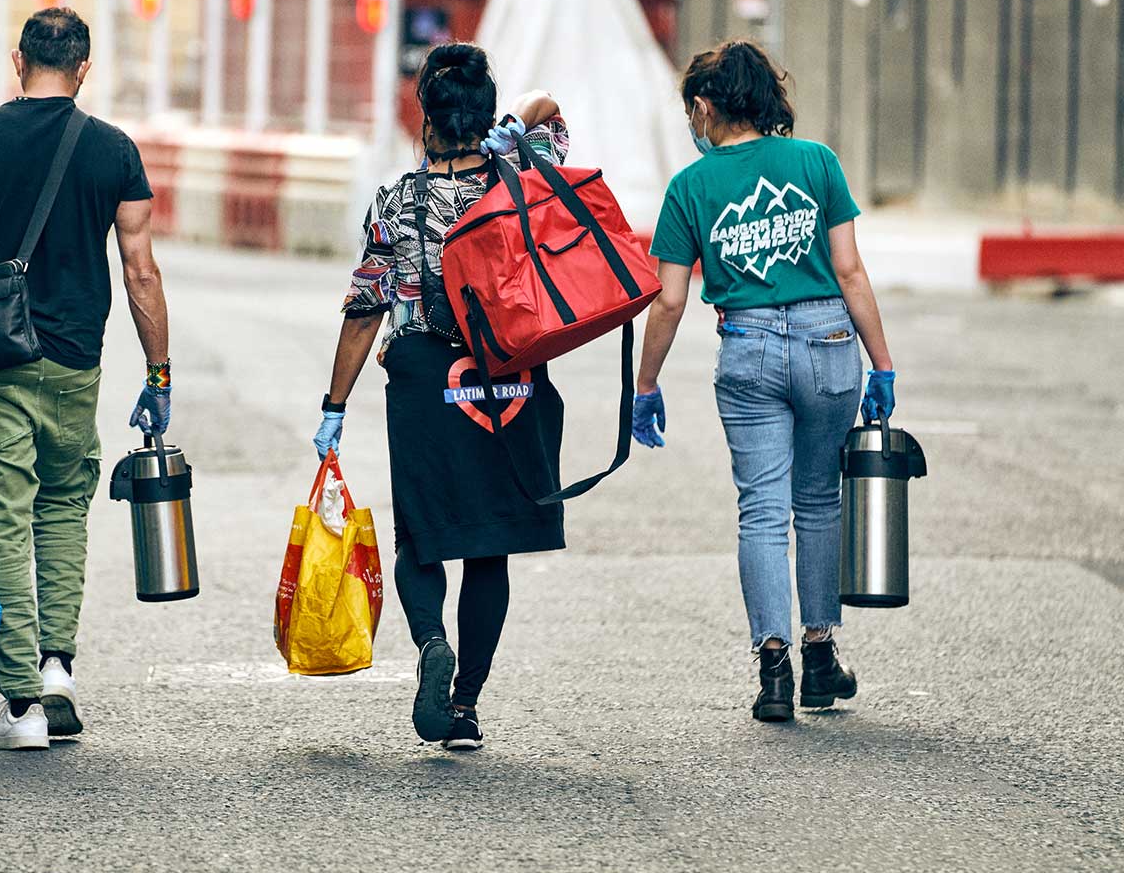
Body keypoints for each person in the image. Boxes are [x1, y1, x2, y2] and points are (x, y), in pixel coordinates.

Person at [0, 7, 173, 751]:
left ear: (18, 61)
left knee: (1, 519)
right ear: (84, 68)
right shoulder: (115, 151)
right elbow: (140, 272)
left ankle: (20, 709)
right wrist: (160, 373)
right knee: (60, 510)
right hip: (76, 360)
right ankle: (55, 667)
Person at [631, 39, 897, 723]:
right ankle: (819, 658)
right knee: (818, 503)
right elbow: (849, 271)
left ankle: (773, 671)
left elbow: (667, 300)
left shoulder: (689, 188)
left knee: (760, 510)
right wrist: (883, 362)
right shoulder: (817, 163)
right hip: (830, 341)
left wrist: (646, 384)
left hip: (746, 347)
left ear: (703, 106)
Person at [314, 42, 569, 752]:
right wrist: (513, 127)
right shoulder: (521, 175)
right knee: (491, 545)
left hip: (427, 378)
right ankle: (465, 708)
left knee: (420, 535)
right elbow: (551, 110)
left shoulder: (398, 200)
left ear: (426, 123)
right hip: (509, 374)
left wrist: (334, 405)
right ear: (484, 115)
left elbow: (365, 307)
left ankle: (430, 641)